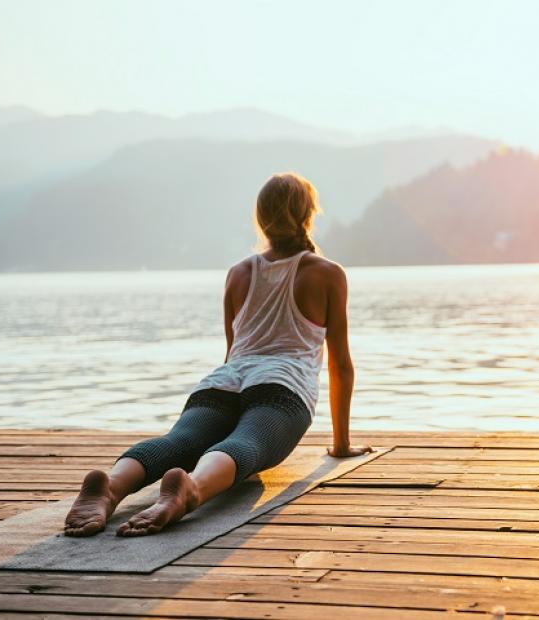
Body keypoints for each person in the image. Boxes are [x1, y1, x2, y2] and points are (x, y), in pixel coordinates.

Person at [64, 172, 373, 537]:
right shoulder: (327, 273)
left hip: (222, 382)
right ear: (308, 215)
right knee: (246, 445)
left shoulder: (239, 273)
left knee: (178, 443)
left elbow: (233, 350)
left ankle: (113, 485)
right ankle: (190, 489)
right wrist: (340, 445)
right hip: (281, 388)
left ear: (261, 220)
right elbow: (340, 365)